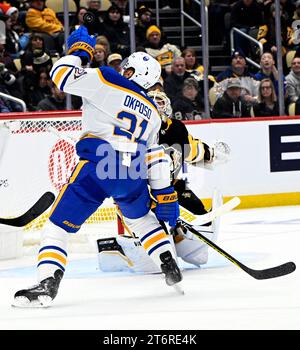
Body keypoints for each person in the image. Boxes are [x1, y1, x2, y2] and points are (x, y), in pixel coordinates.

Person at [13, 26, 182, 307]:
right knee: (140, 220)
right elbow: (155, 157)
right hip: (133, 173)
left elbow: (61, 76)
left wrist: (80, 52)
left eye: (127, 68)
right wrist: (165, 195)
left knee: (57, 228)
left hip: (99, 164)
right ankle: (167, 260)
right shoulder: (153, 113)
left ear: (130, 72)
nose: (124, 70)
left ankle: (47, 282)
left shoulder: (108, 79)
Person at [97, 90, 229, 272]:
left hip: (173, 186)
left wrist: (211, 154)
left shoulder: (175, 128)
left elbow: (191, 148)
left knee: (200, 215)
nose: (157, 105)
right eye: (152, 102)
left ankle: (179, 237)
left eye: (160, 101)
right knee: (149, 225)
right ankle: (133, 248)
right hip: (140, 192)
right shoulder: (135, 131)